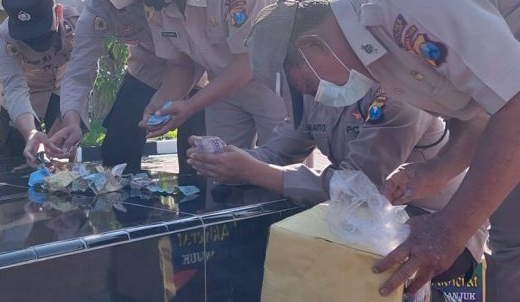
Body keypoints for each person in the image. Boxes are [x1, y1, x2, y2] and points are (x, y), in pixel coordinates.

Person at [245, 0, 520, 300]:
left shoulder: (396, 3)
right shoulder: (382, 58)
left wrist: (450, 228)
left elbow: (513, 104)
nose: (315, 97)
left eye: (307, 86)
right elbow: (480, 116)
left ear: (311, 45)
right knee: (512, 251)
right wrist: (436, 169)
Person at [186, 84, 487, 283]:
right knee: (252, 242)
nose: (292, 76)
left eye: (295, 62)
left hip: (438, 225)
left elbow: (357, 184)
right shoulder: (313, 92)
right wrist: (230, 158)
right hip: (363, 215)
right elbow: (276, 153)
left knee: (315, 262)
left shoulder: (396, 92)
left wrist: (252, 171)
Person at [108, 0, 286, 148]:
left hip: (274, 85)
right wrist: (161, 103)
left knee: (281, 170)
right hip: (222, 90)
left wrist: (190, 106)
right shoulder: (159, 1)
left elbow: (247, 63)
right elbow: (181, 65)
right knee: (221, 172)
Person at [52, 0, 205, 173]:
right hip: (148, 69)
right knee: (117, 148)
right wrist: (72, 120)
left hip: (197, 70)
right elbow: (79, 69)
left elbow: (195, 53)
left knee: (196, 155)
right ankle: (124, 205)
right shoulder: (97, 8)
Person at [0, 0, 83, 168]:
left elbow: (82, 73)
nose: (40, 46)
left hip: (63, 87)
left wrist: (68, 121)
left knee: (62, 151)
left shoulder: (80, 15)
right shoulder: (4, 38)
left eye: (44, 35)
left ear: (58, 12)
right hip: (24, 92)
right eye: (29, 39)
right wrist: (31, 133)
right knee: (14, 156)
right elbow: (14, 88)